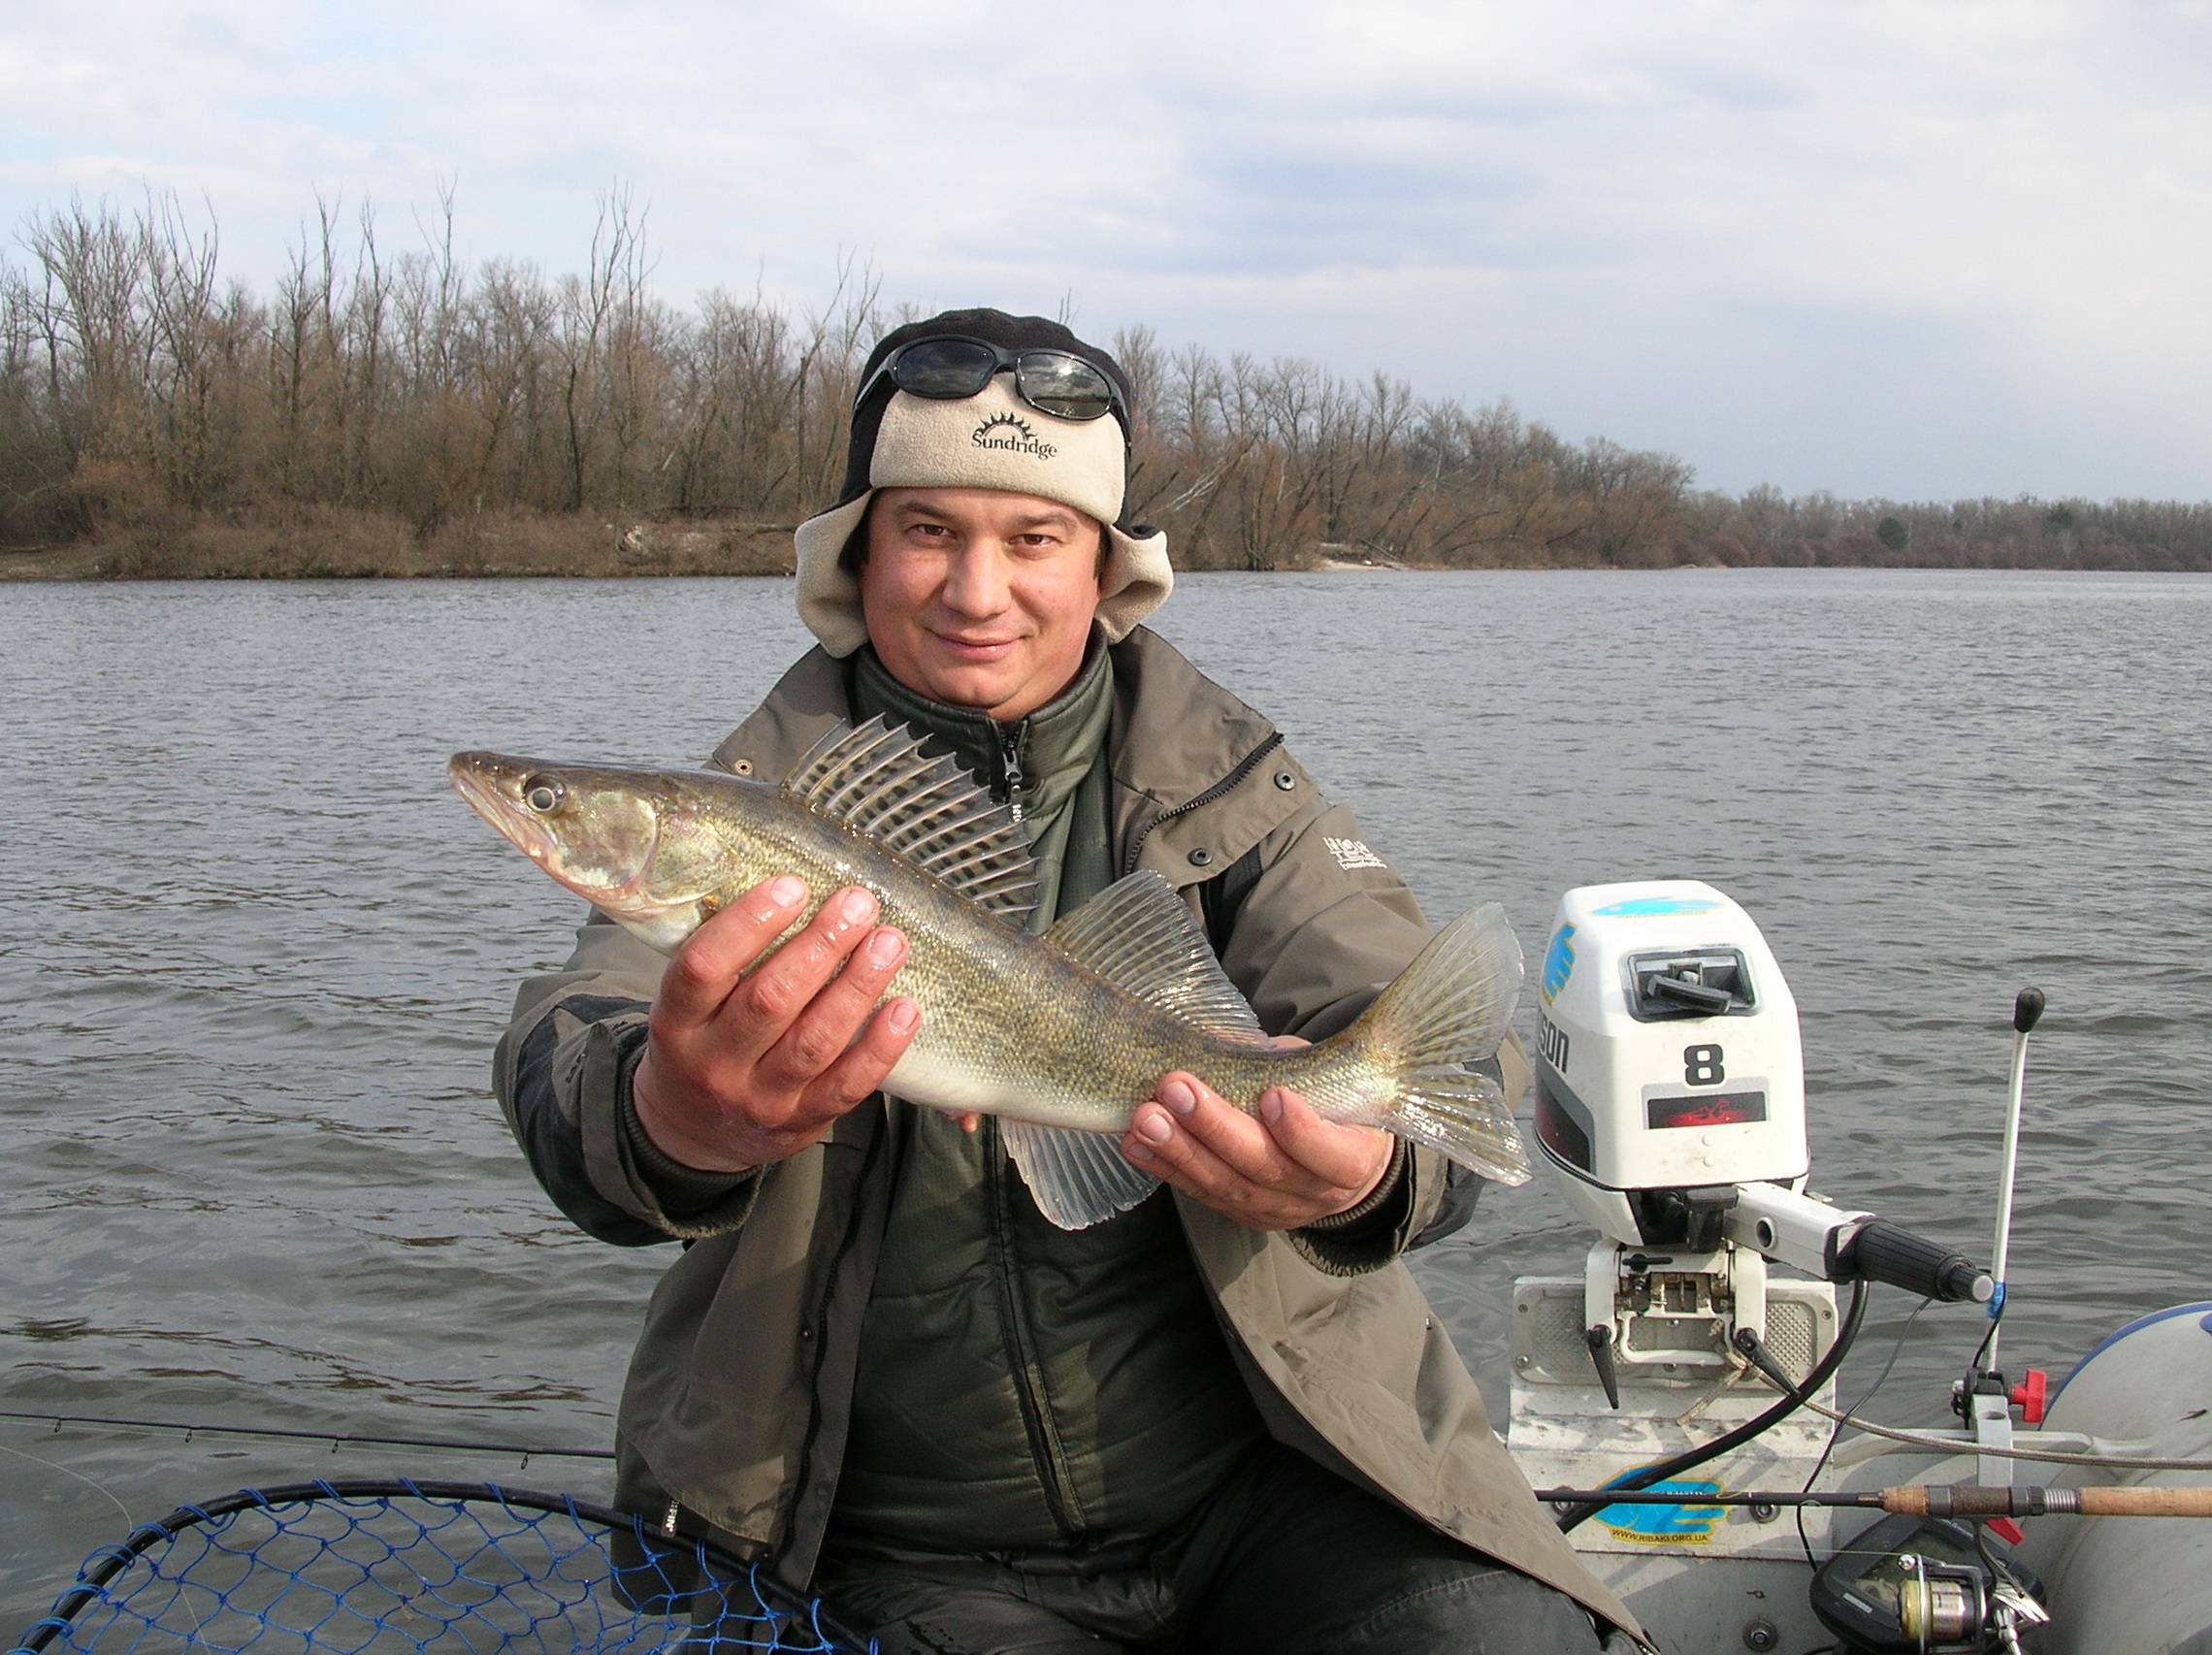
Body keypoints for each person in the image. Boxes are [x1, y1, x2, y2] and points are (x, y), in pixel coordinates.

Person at [495, 308, 1643, 1653]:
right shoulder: (755, 809)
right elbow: (572, 1047)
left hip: (1277, 1483)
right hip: (900, 1544)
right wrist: (669, 1120)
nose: (977, 592)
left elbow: (1439, 1050)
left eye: (1035, 537)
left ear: (1104, 566)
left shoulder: (1231, 789)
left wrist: (1364, 1171)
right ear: (858, 554)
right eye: (929, 530)